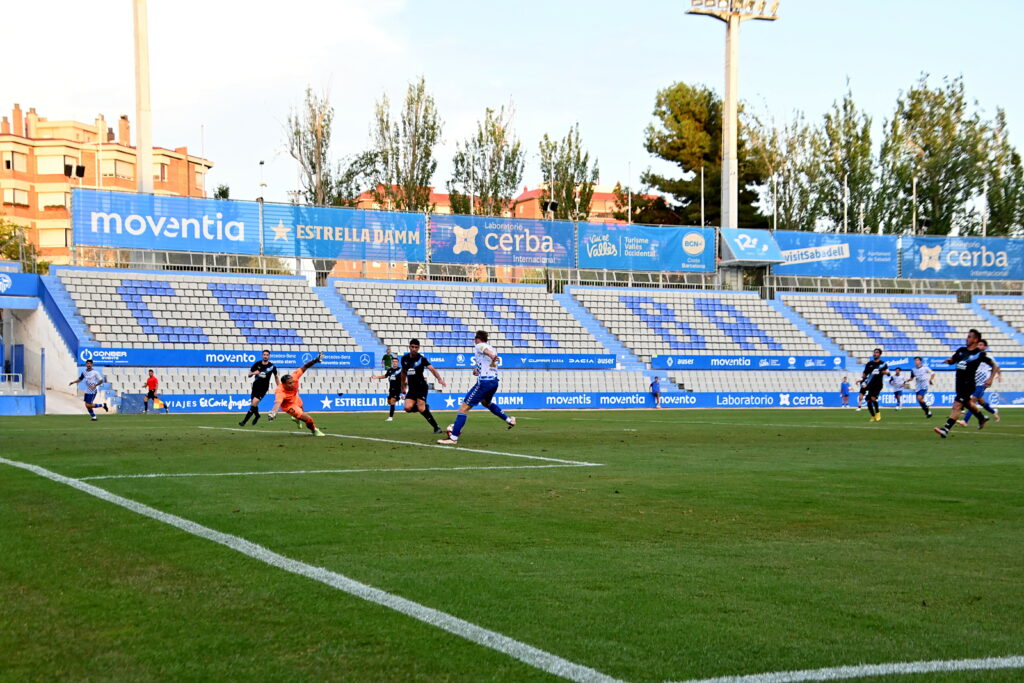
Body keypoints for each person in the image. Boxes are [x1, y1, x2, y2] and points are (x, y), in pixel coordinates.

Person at [438, 330, 515, 445]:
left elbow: (486, 351)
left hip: (484, 383)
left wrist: (492, 355)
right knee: (486, 403)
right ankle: (509, 420)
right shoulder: (492, 347)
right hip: (494, 382)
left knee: (463, 408)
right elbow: (488, 363)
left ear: (477, 339)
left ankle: (453, 438)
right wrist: (477, 370)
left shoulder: (480, 345)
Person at [934, 329, 999, 438]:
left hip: (968, 384)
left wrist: (991, 379)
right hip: (959, 383)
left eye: (969, 337)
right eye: (967, 336)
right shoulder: (961, 350)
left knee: (957, 405)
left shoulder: (979, 354)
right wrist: (949, 361)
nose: (967, 338)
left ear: (975, 339)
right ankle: (981, 418)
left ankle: (945, 429)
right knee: (968, 404)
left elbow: (995, 366)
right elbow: (953, 360)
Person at [266, 353, 324, 437]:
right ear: (284, 384)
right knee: (308, 419)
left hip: (295, 398)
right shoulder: (280, 391)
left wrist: (315, 360)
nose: (293, 384)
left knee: (301, 408)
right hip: (289, 406)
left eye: (292, 382)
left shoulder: (294, 377)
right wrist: (273, 412)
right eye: (290, 383)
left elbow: (305, 366)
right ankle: (314, 430)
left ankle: (296, 418)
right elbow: (277, 403)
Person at [400, 338, 447, 434]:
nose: (414, 349)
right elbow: (403, 373)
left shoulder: (422, 359)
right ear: (409, 347)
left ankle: (436, 427)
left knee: (421, 409)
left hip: (421, 387)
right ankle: (425, 407)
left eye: (416, 347)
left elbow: (432, 369)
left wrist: (439, 379)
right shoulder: (404, 359)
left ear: (418, 348)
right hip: (412, 388)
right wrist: (403, 386)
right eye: (412, 347)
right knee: (407, 408)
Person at [959, 339, 1001, 427]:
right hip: (973, 382)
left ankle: (965, 421)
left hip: (982, 383)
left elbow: (996, 367)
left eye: (981, 345)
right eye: (978, 345)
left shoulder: (988, 356)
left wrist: (993, 378)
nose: (979, 346)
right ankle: (994, 413)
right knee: (981, 402)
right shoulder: (974, 355)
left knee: (972, 402)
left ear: (985, 347)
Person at [239, 349, 278, 426]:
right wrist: (254, 373)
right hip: (255, 386)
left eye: (267, 355)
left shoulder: (272, 366)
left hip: (263, 388)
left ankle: (244, 421)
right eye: (264, 355)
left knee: (254, 403)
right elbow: (249, 375)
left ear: (269, 356)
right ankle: (257, 416)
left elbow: (276, 377)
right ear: (262, 355)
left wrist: (279, 387)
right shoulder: (257, 364)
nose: (265, 356)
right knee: (254, 404)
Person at [860, 348, 888, 422]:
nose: (875, 354)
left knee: (873, 398)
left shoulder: (883, 364)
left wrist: (886, 373)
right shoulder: (869, 364)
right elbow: (865, 373)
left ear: (880, 354)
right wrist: (863, 380)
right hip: (870, 384)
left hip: (878, 384)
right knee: (868, 401)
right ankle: (873, 416)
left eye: (877, 352)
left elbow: (887, 372)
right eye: (874, 352)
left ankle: (878, 413)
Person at [371, 357, 403, 422]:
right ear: (392, 362)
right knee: (389, 402)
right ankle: (398, 398)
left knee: (392, 401)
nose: (394, 362)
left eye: (396, 361)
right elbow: (385, 376)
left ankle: (390, 417)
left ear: (398, 363)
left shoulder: (400, 370)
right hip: (391, 389)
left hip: (398, 389)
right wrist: (376, 377)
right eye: (393, 361)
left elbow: (404, 379)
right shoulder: (390, 370)